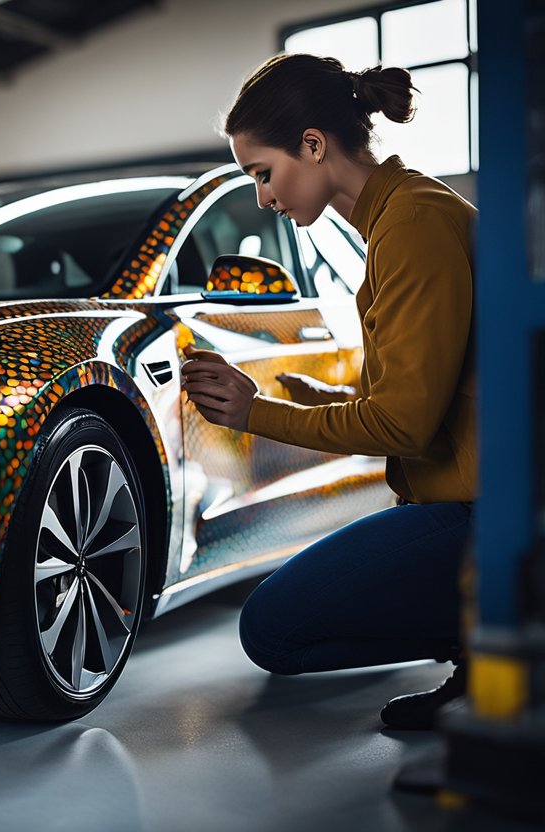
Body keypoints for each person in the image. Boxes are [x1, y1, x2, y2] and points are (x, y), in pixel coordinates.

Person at [182, 53, 477, 730]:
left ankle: (497, 644)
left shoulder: (412, 226)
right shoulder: (403, 217)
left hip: (484, 514)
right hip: (462, 501)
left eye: (263, 173)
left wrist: (257, 414)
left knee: (273, 631)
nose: (262, 197)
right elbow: (431, 394)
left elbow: (404, 426)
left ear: (313, 146)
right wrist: (318, 399)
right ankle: (483, 647)